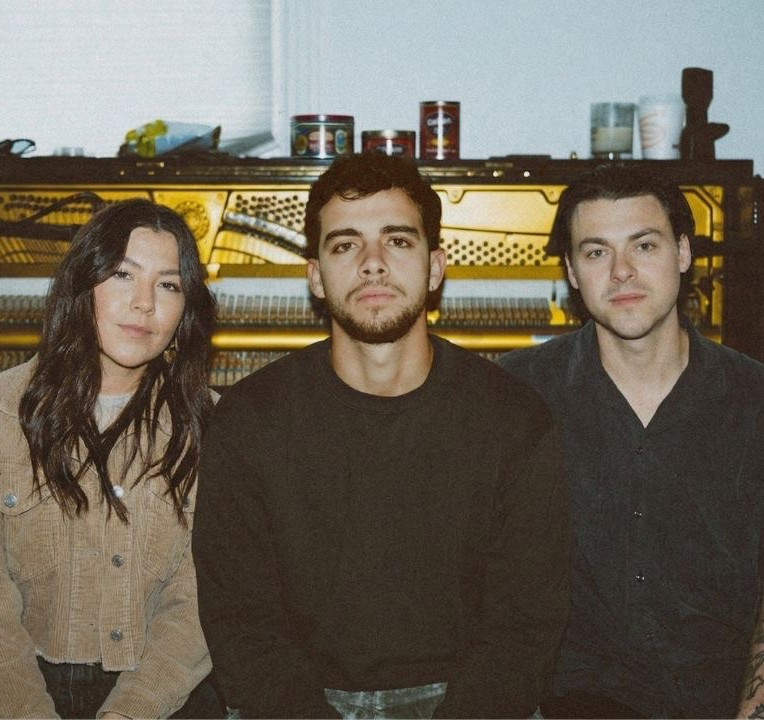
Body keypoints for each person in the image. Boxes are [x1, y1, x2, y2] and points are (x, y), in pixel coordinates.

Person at [191, 153, 570, 719]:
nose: (373, 264)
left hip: (467, 700)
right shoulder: (249, 420)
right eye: (346, 245)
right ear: (315, 277)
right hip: (297, 702)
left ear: (436, 267)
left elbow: (525, 627)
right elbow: (241, 623)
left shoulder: (514, 420)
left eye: (397, 241)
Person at [497, 164, 764, 718]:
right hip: (584, 703)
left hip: (736, 698)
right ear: (571, 271)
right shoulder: (518, 396)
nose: (621, 271)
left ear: (683, 253)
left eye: (644, 246)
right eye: (596, 252)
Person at [0, 199, 218, 718]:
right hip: (7, 682)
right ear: (82, 285)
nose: (144, 303)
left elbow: (200, 600)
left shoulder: (212, 427)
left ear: (185, 310)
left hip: (161, 685)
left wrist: (132, 710)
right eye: (123, 275)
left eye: (168, 285)